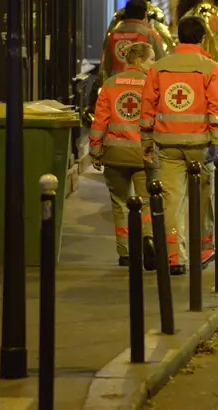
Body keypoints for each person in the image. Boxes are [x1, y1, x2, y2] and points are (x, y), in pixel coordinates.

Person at [140, 16, 218, 275]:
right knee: (203, 197)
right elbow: (217, 107)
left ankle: (175, 257)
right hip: (200, 145)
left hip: (167, 144)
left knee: (172, 201)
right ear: (202, 38)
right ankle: (203, 250)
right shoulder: (211, 69)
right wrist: (216, 141)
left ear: (178, 36)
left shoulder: (159, 68)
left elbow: (147, 107)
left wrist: (146, 140)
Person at [90, 42, 157, 268]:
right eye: (151, 59)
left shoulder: (110, 84)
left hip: (115, 153)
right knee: (146, 201)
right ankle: (148, 238)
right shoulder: (151, 85)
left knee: (119, 203)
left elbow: (100, 122)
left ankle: (125, 251)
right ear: (139, 61)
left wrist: (95, 151)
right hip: (142, 154)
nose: (154, 64)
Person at [100, 0, 168, 82]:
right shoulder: (150, 35)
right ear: (145, 14)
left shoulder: (112, 35)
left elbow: (107, 66)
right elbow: (161, 64)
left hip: (116, 86)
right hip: (142, 86)